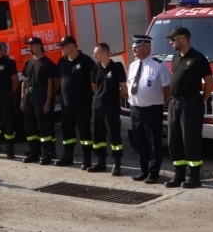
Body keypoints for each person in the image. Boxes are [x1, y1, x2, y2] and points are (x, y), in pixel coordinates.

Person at [164, 26, 213, 188]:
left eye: (173, 38)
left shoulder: (198, 58)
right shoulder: (175, 58)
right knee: (174, 140)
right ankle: (178, 174)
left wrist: (202, 100)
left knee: (190, 140)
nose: (171, 42)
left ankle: (193, 177)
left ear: (183, 38)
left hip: (191, 103)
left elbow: (209, 81)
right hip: (175, 103)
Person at [127, 34, 171, 184]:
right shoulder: (133, 65)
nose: (133, 50)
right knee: (140, 142)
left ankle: (153, 172)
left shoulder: (159, 64)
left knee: (153, 142)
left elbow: (167, 90)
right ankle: (143, 170)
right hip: (135, 109)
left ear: (146, 48)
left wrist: (159, 104)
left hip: (152, 110)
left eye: (135, 47)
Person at [55, 36, 96, 168]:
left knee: (84, 131)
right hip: (66, 105)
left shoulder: (86, 61)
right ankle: (67, 157)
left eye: (64, 46)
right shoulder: (62, 61)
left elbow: (94, 83)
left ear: (72, 46)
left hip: (82, 105)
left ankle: (87, 159)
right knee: (67, 132)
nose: (61, 48)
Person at [89, 43, 128, 174]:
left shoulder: (116, 68)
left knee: (114, 136)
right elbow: (94, 87)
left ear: (105, 53)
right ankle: (101, 162)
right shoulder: (95, 69)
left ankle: (117, 164)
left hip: (111, 108)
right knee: (97, 136)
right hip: (97, 107)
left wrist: (115, 99)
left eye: (97, 53)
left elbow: (124, 89)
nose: (94, 55)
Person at [20, 37, 58, 165]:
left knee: (44, 126)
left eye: (31, 46)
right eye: (29, 46)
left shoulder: (47, 63)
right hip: (29, 95)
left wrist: (48, 102)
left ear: (38, 46)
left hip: (41, 94)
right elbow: (24, 81)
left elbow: (51, 84)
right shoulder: (28, 62)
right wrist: (22, 99)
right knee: (29, 124)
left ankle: (47, 153)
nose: (29, 48)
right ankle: (33, 152)